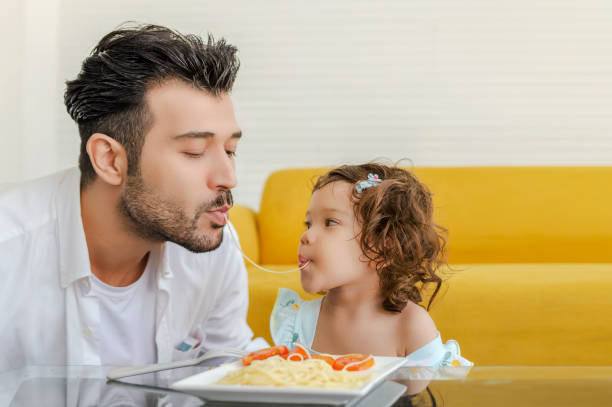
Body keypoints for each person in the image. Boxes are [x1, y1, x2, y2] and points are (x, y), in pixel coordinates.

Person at [0, 24, 266, 371]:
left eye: (230, 150)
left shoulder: (214, 246)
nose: (229, 178)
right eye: (195, 151)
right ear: (110, 160)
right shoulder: (9, 252)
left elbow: (226, 366)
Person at [270, 163, 472, 366]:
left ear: (383, 249)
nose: (306, 235)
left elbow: (426, 396)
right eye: (309, 224)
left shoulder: (411, 328)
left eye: (330, 222)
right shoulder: (297, 323)